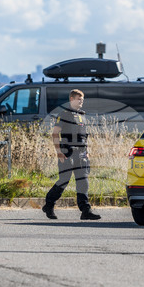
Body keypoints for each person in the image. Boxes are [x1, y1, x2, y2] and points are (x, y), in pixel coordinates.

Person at [43, 89, 101, 220]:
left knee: (83, 181)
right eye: (78, 99)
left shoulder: (82, 114)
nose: (81, 102)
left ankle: (85, 210)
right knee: (64, 180)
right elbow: (55, 133)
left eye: (82, 100)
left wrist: (87, 152)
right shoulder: (64, 114)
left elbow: (83, 136)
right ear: (71, 99)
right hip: (67, 152)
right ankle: (49, 204)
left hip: (81, 154)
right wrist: (58, 152)